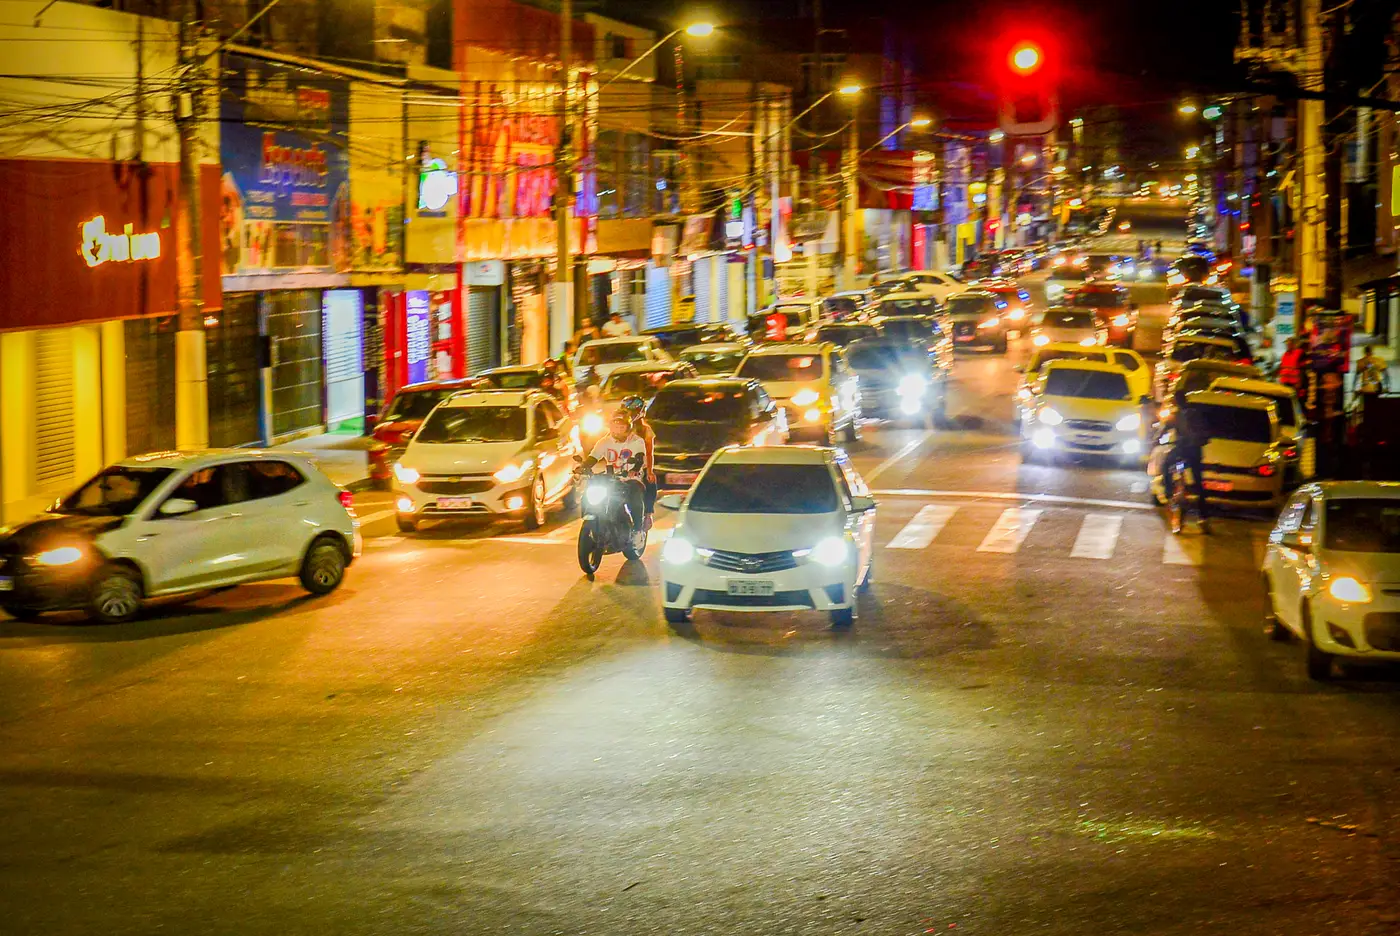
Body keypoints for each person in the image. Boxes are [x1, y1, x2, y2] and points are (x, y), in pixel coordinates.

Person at [583, 412, 647, 533]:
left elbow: (640, 458)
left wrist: (634, 469)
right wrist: (583, 467)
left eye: (621, 427)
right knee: (591, 490)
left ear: (628, 428)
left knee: (634, 497)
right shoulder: (604, 441)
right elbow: (593, 457)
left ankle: (638, 529)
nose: (618, 430)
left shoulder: (636, 441)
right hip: (611, 478)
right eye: (615, 427)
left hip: (631, 478)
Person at [1164, 388, 1211, 535]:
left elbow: (1166, 429)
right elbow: (1166, 428)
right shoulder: (1185, 414)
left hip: (1187, 452)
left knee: (1167, 465)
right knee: (1197, 483)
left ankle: (1169, 492)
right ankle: (1202, 516)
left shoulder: (1182, 415)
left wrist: (1157, 439)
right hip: (1189, 453)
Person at [620, 395, 656, 530]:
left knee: (650, 481)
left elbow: (649, 453)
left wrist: (650, 471)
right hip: (621, 466)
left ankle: (647, 514)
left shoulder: (646, 430)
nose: (629, 414)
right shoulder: (619, 428)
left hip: (639, 467)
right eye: (626, 411)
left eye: (632, 411)